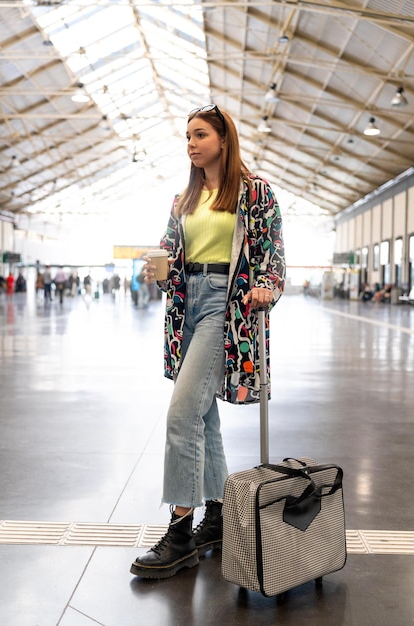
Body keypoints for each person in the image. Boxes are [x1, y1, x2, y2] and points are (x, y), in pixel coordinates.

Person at [130, 104, 285, 579]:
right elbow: (170, 252)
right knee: (203, 416)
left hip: (227, 304)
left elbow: (272, 253)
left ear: (223, 139)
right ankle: (216, 515)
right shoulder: (184, 197)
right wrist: (155, 265)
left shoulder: (255, 192)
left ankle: (180, 533)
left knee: (181, 412)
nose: (191, 144)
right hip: (186, 305)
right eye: (187, 137)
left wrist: (268, 286)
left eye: (199, 135)